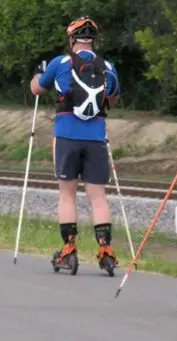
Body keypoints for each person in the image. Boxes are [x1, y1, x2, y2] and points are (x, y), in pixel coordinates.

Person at [30, 16, 121, 275]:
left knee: (67, 194)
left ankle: (69, 251)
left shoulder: (61, 62)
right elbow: (112, 99)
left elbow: (37, 89)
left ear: (72, 39)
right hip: (96, 137)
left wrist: (38, 74)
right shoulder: (109, 67)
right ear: (93, 40)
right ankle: (105, 251)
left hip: (67, 134)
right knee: (98, 197)